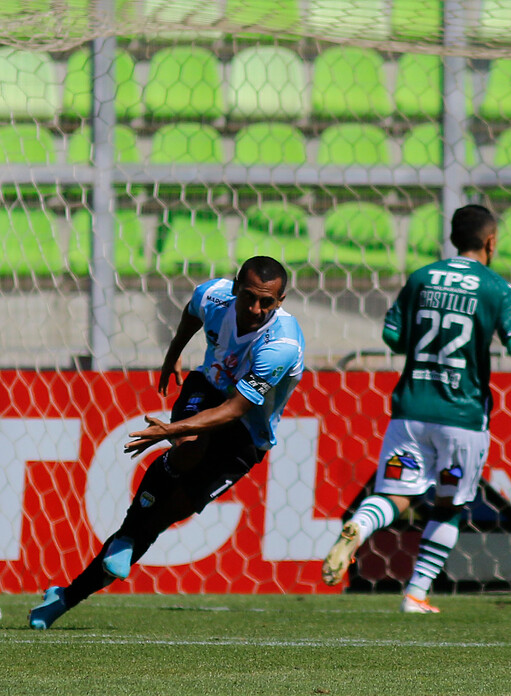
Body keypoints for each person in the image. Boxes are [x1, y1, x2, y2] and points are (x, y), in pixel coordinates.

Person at [29, 256, 305, 629]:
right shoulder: (212, 295)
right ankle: (128, 533)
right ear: (236, 287)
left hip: (247, 432)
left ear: (281, 300)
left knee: (160, 516)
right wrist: (172, 355)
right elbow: (192, 315)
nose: (255, 309)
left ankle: (64, 598)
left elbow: (236, 408)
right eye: (249, 298)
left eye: (266, 302)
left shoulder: (281, 345)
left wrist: (168, 431)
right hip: (205, 387)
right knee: (192, 440)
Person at [320, 205, 511, 612]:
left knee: (394, 495)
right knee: (450, 505)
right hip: (461, 420)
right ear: (491, 242)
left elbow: (393, 337)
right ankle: (416, 594)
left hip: (410, 413)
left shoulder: (421, 277)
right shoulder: (497, 289)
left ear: (454, 238)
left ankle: (360, 525)